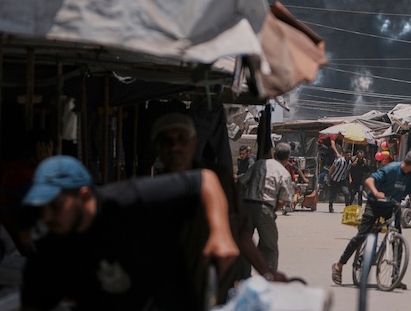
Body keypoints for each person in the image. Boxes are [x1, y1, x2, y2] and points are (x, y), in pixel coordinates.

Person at [19, 155, 238, 311]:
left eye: (55, 205)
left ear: (84, 195)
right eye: (41, 208)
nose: (46, 216)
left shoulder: (132, 200)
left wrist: (221, 233)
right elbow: (33, 304)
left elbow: (205, 179)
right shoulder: (47, 246)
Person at [151, 113, 286, 298]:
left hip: (222, 283)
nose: (175, 147)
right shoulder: (150, 193)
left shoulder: (218, 178)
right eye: (167, 141)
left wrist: (266, 272)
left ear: (194, 143)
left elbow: (241, 233)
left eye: (181, 138)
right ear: (157, 148)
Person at [331, 150, 411, 285]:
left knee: (397, 240)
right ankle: (339, 265)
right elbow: (369, 180)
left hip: (392, 207)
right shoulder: (391, 169)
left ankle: (395, 276)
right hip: (374, 204)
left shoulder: (410, 174)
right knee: (361, 236)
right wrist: (376, 192)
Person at [240, 142, 295, 273]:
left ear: (274, 154)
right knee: (270, 247)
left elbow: (241, 183)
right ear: (287, 158)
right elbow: (282, 201)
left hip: (246, 205)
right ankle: (268, 277)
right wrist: (272, 210)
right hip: (265, 207)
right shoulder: (284, 173)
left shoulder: (259, 164)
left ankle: (242, 276)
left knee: (243, 242)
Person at [326, 142, 351, 213]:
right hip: (334, 179)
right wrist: (329, 179)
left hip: (342, 180)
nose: (349, 156)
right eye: (348, 155)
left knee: (346, 193)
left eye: (350, 155)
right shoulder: (339, 161)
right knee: (333, 194)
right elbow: (331, 169)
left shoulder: (349, 163)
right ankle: (330, 206)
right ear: (345, 155)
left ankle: (347, 208)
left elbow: (348, 170)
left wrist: (349, 178)